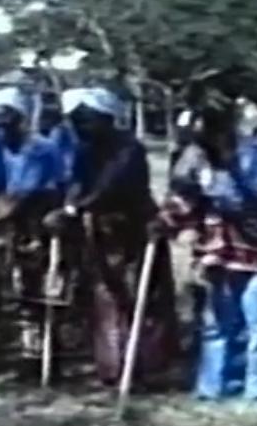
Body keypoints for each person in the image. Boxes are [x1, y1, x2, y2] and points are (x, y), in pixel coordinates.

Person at [153, 97, 257, 403]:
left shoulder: (254, 153)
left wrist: (224, 178)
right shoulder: (195, 154)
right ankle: (211, 387)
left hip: (254, 248)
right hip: (214, 248)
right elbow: (182, 195)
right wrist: (166, 219)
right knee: (216, 323)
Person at [46, 87, 178, 387]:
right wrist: (68, 207)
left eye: (86, 120)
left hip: (134, 231)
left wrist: (75, 210)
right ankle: (112, 367)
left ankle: (142, 367)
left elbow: (110, 186)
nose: (80, 127)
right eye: (75, 121)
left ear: (106, 118)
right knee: (104, 297)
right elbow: (77, 184)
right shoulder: (84, 150)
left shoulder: (129, 148)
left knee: (140, 297)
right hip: (100, 232)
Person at [0, 86, 67, 375]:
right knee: (16, 290)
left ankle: (47, 357)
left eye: (5, 124)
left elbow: (24, 194)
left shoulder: (39, 149)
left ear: (19, 120)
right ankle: (22, 352)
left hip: (40, 223)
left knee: (43, 290)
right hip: (11, 224)